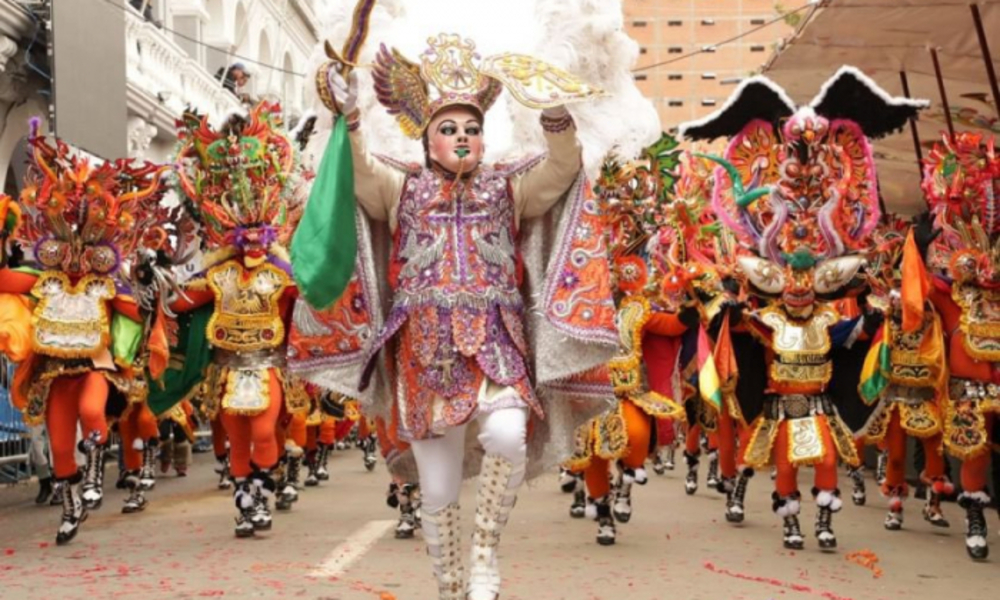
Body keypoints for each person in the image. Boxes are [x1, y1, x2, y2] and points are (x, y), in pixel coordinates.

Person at [301, 33, 616, 600]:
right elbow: (360, 171)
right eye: (449, 129)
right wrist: (346, 111)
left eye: (472, 128)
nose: (463, 137)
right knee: (439, 488)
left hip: (496, 343)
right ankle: (451, 587)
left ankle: (486, 556)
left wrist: (551, 111)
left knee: (507, 433)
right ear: (427, 140)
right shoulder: (402, 187)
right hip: (425, 354)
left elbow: (563, 170)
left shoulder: (509, 188)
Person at [680, 67, 925, 551]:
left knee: (829, 462)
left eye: (807, 284)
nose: (797, 291)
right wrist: (726, 309)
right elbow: (747, 328)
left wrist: (876, 318)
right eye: (788, 284)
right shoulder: (768, 319)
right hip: (781, 404)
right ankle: (790, 520)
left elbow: (850, 334)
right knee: (786, 464)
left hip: (818, 403)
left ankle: (825, 522)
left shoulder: (827, 319)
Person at [0, 123, 168, 544]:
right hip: (56, 371)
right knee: (59, 449)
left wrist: (148, 285)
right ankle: (72, 505)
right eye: (65, 251)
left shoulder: (107, 286)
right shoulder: (42, 281)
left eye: (85, 250)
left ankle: (96, 467)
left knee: (94, 414)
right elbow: (5, 280)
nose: (74, 260)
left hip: (95, 366)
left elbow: (141, 310)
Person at [171, 102, 306, 538]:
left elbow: (312, 302)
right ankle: (247, 505)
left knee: (265, 431)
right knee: (237, 441)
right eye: (242, 234)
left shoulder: (283, 276)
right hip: (226, 368)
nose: (251, 242)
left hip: (267, 364)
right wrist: (149, 286)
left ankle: (261, 491)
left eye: (259, 235)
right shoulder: (216, 274)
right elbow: (179, 304)